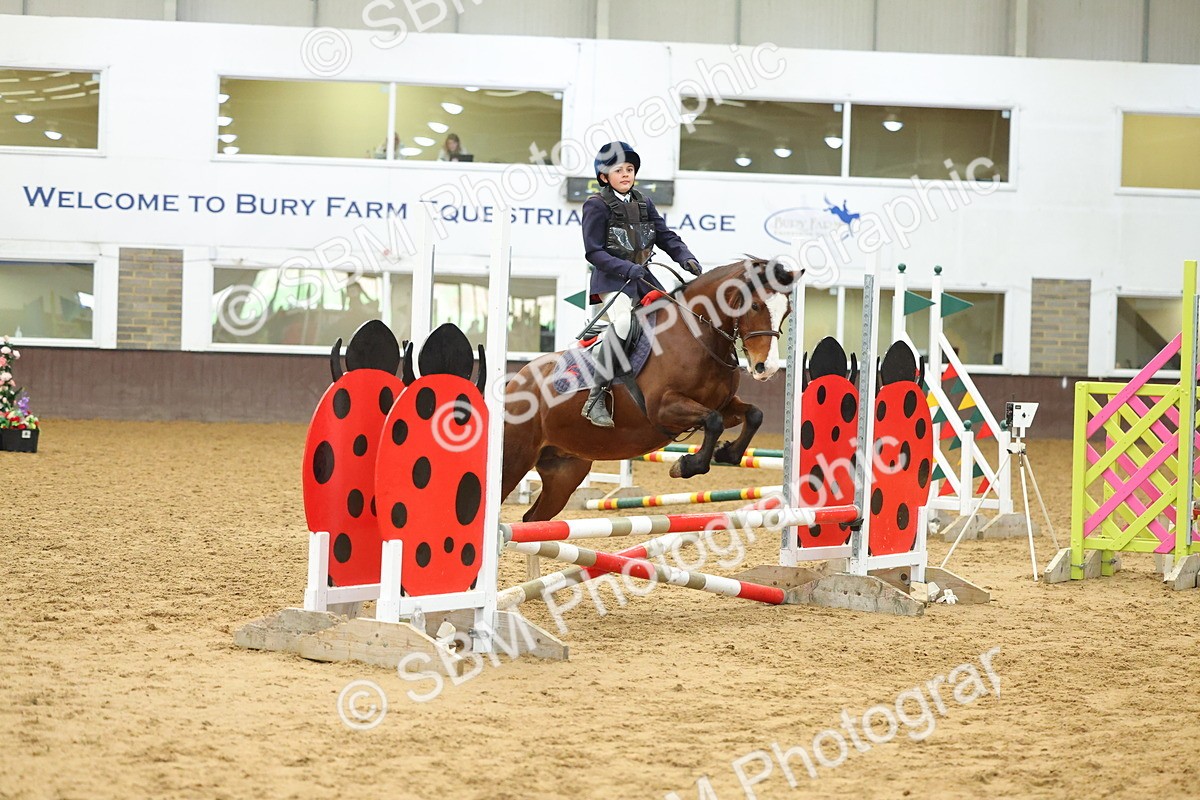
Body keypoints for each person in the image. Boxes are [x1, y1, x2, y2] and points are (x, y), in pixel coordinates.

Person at [580, 140, 703, 427]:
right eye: (619, 170)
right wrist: (627, 268)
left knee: (676, 318)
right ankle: (596, 397)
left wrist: (685, 257)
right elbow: (593, 251)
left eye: (630, 169)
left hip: (644, 279)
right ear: (604, 177)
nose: (625, 174)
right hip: (612, 282)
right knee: (624, 324)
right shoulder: (596, 206)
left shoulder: (643, 202)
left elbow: (666, 236)